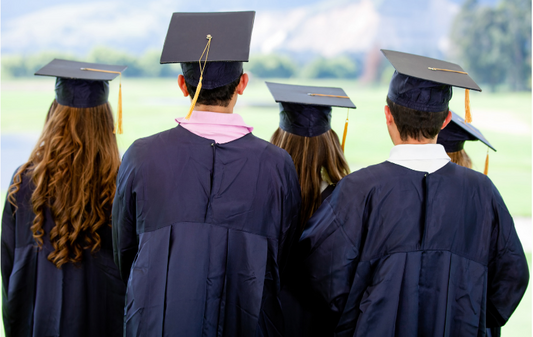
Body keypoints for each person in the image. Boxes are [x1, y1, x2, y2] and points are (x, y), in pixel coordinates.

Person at [292, 50, 529, 336]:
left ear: (388, 114)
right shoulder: (482, 192)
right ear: (445, 120)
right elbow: (512, 275)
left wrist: (362, 316)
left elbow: (318, 272)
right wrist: (467, 314)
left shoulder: (358, 190)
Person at [112, 11, 301, 336]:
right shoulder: (277, 165)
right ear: (242, 84)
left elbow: (125, 251)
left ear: (182, 85)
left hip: (160, 321)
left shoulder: (141, 157)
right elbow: (281, 258)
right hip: (249, 321)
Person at [2, 59, 127, 337]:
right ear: (105, 119)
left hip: (40, 318)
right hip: (104, 320)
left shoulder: (24, 182)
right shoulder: (121, 183)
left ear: (54, 116)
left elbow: (9, 266)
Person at [266, 82, 354, 337]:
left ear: (278, 138)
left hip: (269, 320)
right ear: (330, 142)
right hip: (322, 324)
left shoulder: (262, 194)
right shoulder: (344, 200)